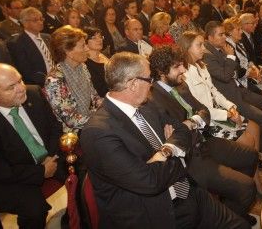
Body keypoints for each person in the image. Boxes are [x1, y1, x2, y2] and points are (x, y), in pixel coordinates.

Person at [80, 52, 249, 229]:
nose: (152, 84)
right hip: (158, 214)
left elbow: (183, 132)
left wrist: (166, 150)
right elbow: (150, 182)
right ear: (133, 84)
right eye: (148, 79)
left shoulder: (146, 105)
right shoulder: (98, 133)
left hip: (187, 190)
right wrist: (175, 150)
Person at [148, 46, 259, 225]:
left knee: (251, 155)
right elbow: (179, 134)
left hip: (204, 140)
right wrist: (193, 122)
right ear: (161, 72)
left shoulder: (179, 85)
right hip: (191, 158)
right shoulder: (153, 99)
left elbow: (204, 111)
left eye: (182, 65)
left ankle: (230, 210)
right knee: (247, 188)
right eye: (177, 67)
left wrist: (192, 122)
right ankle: (227, 218)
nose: (184, 70)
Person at [0, 63, 64, 229]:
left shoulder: (34, 94)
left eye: (20, 81)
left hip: (49, 157)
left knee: (90, 165)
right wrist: (40, 172)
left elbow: (54, 128)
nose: (21, 88)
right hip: (10, 175)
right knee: (34, 209)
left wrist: (52, 156)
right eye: (11, 87)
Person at [203, 21, 262, 147]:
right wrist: (230, 57)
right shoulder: (207, 54)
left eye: (224, 34)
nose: (224, 37)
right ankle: (258, 150)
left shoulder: (222, 47)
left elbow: (235, 69)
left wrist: (231, 60)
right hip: (227, 94)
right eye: (221, 35)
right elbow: (224, 76)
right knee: (260, 117)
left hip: (236, 87)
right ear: (210, 37)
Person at [44, 25, 102, 133]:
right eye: (83, 45)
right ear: (68, 52)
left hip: (90, 123)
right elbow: (71, 120)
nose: (87, 48)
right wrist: (102, 120)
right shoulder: (54, 80)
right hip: (72, 135)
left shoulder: (82, 67)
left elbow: (94, 96)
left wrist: (109, 106)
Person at [7, 7, 53, 87]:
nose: (40, 22)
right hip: (38, 84)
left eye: (41, 19)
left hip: (57, 79)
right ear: (25, 23)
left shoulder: (47, 37)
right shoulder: (17, 43)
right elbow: (24, 70)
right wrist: (47, 78)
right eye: (35, 20)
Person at [84, 27, 109, 97]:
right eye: (94, 38)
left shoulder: (103, 56)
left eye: (100, 37)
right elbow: (99, 90)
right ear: (85, 42)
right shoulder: (86, 63)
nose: (99, 40)